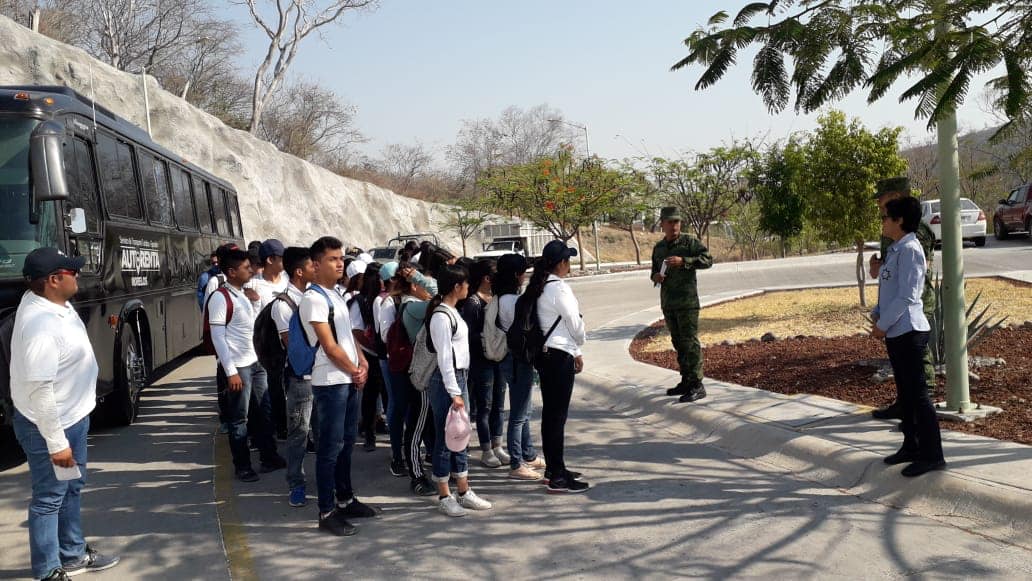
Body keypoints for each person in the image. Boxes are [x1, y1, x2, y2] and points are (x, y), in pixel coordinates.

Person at [10, 248, 121, 581]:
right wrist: (57, 443)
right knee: (48, 497)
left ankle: (72, 554)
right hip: (50, 426)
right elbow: (40, 391)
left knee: (70, 488)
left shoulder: (57, 304)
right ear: (54, 280)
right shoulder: (40, 325)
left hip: (73, 417)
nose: (78, 275)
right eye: (71, 271)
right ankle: (47, 571)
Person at [300, 236, 380, 536]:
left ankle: (345, 500)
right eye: (333, 258)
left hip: (347, 379)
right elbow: (330, 346)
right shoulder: (313, 299)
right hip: (331, 383)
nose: (339, 263)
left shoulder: (336, 295)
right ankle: (326, 510)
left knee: (347, 444)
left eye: (341, 258)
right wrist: (355, 371)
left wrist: (361, 361)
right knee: (329, 449)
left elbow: (347, 337)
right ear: (315, 264)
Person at [872, 197, 946, 477]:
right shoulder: (896, 249)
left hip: (910, 331)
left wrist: (884, 324)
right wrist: (877, 314)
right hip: (895, 330)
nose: (883, 221)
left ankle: (933, 455)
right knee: (905, 394)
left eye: (886, 217)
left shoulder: (912, 250)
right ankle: (911, 446)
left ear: (899, 220)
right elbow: (889, 291)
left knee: (919, 396)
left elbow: (908, 296)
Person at [208, 248, 285, 482]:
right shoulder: (221, 297)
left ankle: (268, 456)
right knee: (239, 418)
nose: (251, 270)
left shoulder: (244, 293)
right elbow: (218, 337)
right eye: (245, 267)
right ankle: (242, 466)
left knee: (264, 410)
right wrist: (230, 372)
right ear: (231, 272)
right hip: (238, 367)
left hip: (255, 362)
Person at [426, 265, 493, 516]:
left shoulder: (452, 312)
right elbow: (444, 358)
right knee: (447, 440)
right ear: (456, 286)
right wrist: (454, 391)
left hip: (459, 378)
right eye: (465, 284)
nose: (468, 288)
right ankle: (444, 494)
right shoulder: (441, 316)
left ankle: (464, 491)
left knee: (461, 437)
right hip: (448, 381)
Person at [869, 177, 937, 420]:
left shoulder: (914, 231)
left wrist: (883, 322)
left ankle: (922, 407)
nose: (879, 203)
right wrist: (877, 268)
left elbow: (914, 279)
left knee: (917, 363)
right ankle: (906, 406)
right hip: (893, 307)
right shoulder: (891, 231)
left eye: (883, 198)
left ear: (897, 196)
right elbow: (890, 272)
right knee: (901, 365)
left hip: (913, 307)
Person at [531, 240, 590, 493]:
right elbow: (573, 323)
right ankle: (557, 476)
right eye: (568, 260)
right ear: (561, 263)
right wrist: (580, 343)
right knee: (557, 417)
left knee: (551, 415)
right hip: (558, 357)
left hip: (548, 354)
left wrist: (574, 349)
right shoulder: (560, 289)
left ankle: (554, 468)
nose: (570, 264)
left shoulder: (540, 285)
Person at [381, 272, 438, 496]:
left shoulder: (413, 305)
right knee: (416, 427)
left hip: (422, 374)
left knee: (426, 425)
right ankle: (417, 476)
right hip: (420, 377)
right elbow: (442, 296)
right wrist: (423, 279)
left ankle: (434, 468)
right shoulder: (413, 307)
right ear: (414, 286)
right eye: (422, 282)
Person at [650, 206, 714, 403]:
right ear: (662, 224)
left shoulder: (689, 242)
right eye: (670, 222)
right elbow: (653, 272)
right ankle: (686, 380)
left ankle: (697, 384)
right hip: (669, 303)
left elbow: (707, 260)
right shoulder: (659, 248)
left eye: (677, 221)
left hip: (687, 303)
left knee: (690, 343)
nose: (674, 225)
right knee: (678, 342)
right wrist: (656, 277)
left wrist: (684, 261)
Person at [495, 254, 547, 481]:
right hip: (518, 359)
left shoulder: (500, 298)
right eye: (523, 272)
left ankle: (528, 454)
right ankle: (517, 463)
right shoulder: (513, 301)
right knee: (518, 414)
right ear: (516, 275)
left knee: (524, 411)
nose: (525, 276)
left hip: (509, 358)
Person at [273, 247, 316, 507]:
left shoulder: (315, 296)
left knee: (324, 434)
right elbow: (293, 347)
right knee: (299, 434)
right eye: (312, 265)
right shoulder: (284, 304)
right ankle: (296, 484)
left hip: (323, 376)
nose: (316, 268)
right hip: (301, 380)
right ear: (300, 271)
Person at [460, 259, 509, 468]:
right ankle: (486, 448)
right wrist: (487, 340)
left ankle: (498, 444)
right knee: (485, 407)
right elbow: (469, 335)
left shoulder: (497, 299)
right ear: (487, 278)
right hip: (482, 362)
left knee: (499, 405)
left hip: (499, 358)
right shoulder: (473, 303)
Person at [247, 239, 289, 440]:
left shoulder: (288, 281)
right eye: (282, 257)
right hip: (264, 349)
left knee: (284, 388)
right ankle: (269, 432)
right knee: (267, 392)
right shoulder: (253, 285)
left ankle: (284, 426)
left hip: (287, 345)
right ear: (271, 260)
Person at [349, 262, 388, 453]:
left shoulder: (384, 299)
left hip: (383, 354)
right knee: (371, 397)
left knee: (387, 395)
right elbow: (356, 331)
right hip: (368, 354)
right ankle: (369, 434)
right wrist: (374, 346)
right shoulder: (360, 301)